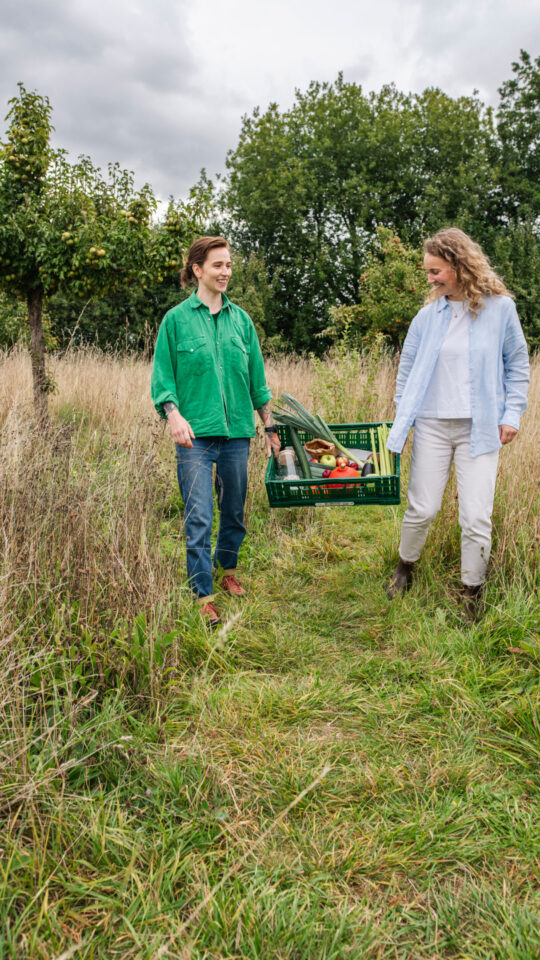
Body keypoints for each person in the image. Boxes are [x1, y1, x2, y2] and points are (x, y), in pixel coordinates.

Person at [386, 227, 530, 617]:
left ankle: (472, 589)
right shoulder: (426, 316)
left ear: (458, 264)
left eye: (435, 271)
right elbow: (407, 370)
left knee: (476, 514)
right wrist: (403, 411)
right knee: (423, 508)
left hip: (480, 428)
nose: (430, 279)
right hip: (432, 424)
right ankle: (405, 566)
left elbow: (517, 366)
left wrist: (511, 414)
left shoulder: (500, 309)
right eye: (428, 272)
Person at [151, 236, 280, 627]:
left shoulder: (242, 321)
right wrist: (172, 414)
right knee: (199, 516)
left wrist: (269, 427)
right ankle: (203, 594)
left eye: (228, 265)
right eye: (217, 265)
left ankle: (228, 572)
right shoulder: (175, 321)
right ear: (197, 270)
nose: (225, 272)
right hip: (195, 437)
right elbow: (163, 379)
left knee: (234, 510)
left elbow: (257, 380)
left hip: (238, 431)